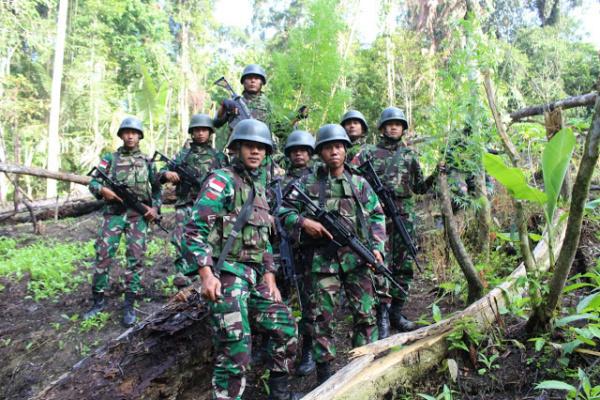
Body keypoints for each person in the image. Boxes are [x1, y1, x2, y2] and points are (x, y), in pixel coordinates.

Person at [179, 119, 300, 400]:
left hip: (255, 278)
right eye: (249, 146)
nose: (255, 152)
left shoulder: (260, 190)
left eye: (260, 147)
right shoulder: (221, 181)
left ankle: (279, 394)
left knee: (285, 326)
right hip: (227, 276)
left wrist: (270, 278)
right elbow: (195, 229)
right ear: (236, 148)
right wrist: (206, 274)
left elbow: (265, 239)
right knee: (235, 348)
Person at [278, 124, 386, 384]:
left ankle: (362, 368)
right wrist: (305, 223)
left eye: (338, 147)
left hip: (357, 261)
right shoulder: (307, 182)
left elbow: (376, 216)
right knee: (320, 320)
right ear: (320, 152)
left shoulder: (359, 182)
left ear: (345, 150)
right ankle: (326, 377)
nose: (334, 152)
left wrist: (377, 248)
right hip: (322, 264)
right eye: (328, 148)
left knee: (366, 314)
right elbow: (282, 212)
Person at [352, 107, 438, 335]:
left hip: (404, 216)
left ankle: (396, 313)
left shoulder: (409, 156)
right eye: (389, 124)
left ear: (403, 129)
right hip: (375, 218)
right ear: (382, 128)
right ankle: (381, 314)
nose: (393, 127)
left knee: (405, 265)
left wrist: (437, 174)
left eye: (398, 124)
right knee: (379, 263)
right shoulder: (367, 153)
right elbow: (351, 179)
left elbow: (419, 188)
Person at [85, 116, 162, 327]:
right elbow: (93, 181)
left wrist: (155, 208)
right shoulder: (110, 159)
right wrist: (102, 190)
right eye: (126, 132)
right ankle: (97, 302)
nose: (130, 136)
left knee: (135, 259)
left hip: (138, 216)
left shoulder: (147, 162)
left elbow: (156, 188)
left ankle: (129, 304)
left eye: (134, 133)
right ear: (121, 135)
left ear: (139, 136)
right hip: (114, 214)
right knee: (103, 255)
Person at [157, 114, 228, 288]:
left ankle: (209, 274)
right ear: (192, 133)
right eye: (197, 130)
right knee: (182, 239)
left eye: (204, 130)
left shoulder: (218, 157)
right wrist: (167, 174)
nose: (201, 133)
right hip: (186, 204)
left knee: (211, 239)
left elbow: (228, 178)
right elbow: (160, 172)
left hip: (210, 207)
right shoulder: (182, 156)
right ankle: (183, 277)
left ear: (210, 132)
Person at [279, 130, 317, 376]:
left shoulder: (319, 178)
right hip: (282, 248)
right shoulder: (278, 182)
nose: (299, 154)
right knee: (278, 298)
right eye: (295, 150)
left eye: (304, 150)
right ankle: (275, 349)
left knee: (310, 301)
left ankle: (310, 349)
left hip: (310, 251)